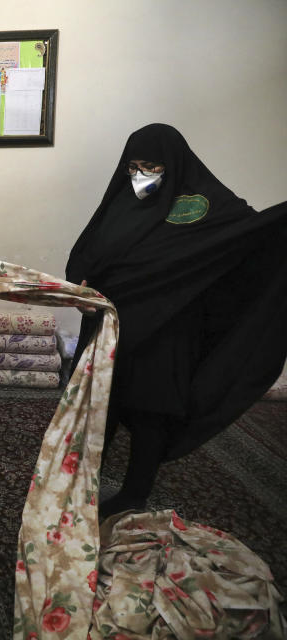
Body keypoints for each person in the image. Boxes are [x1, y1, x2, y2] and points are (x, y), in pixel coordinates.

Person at [66, 123, 287, 519]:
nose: (140, 176)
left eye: (150, 166)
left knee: (152, 409)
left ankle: (134, 493)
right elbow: (89, 254)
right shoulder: (122, 201)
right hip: (113, 327)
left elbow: (247, 236)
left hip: (169, 328)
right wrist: (80, 291)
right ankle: (81, 481)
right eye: (133, 166)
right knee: (103, 403)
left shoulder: (203, 202)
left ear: (174, 164)